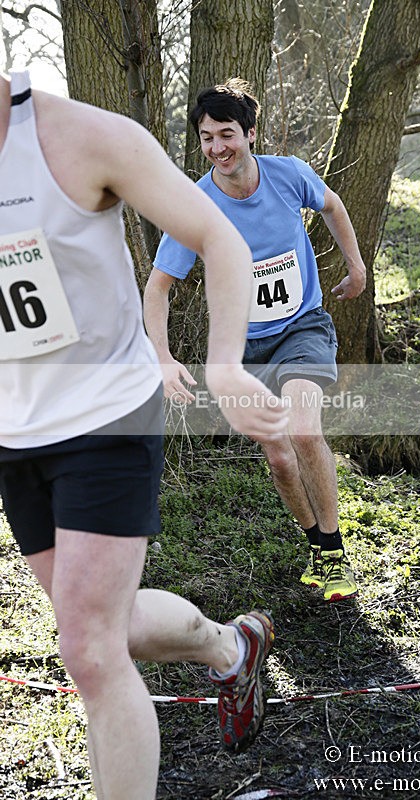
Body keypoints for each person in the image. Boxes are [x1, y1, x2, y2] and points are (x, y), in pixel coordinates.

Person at [0, 70, 289, 800]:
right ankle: (230, 646)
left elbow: (216, 237)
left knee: (89, 653)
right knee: (110, 628)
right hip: (13, 429)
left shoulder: (82, 138)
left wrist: (223, 365)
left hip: (106, 415)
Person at [144, 78, 367, 603]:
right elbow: (157, 287)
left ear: (249, 133)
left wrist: (356, 267)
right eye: (206, 138)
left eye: (227, 134)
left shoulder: (289, 174)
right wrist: (163, 357)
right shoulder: (194, 204)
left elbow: (333, 206)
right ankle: (317, 543)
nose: (218, 148)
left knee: (305, 432)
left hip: (302, 328)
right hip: (240, 352)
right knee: (281, 458)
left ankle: (334, 553)